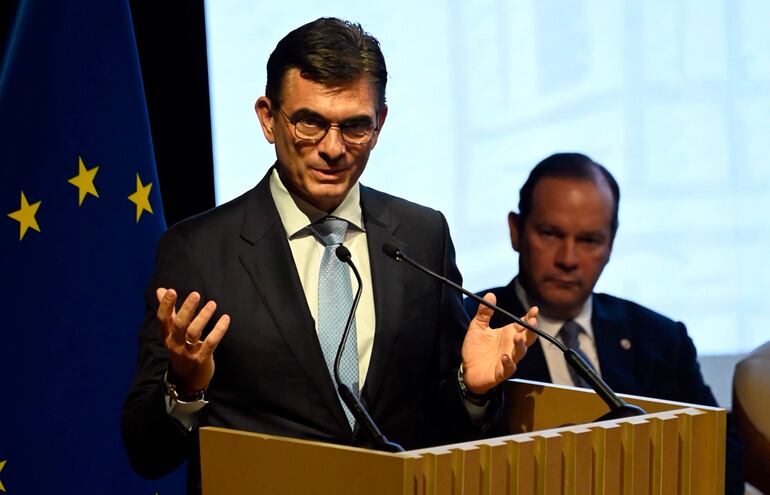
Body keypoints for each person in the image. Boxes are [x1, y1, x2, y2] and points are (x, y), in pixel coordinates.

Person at [121, 17, 536, 493]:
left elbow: (437, 423)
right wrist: (187, 386)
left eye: (355, 126)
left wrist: (472, 388)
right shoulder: (198, 251)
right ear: (268, 118)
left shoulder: (422, 236)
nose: (333, 149)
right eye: (310, 122)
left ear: (379, 124)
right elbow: (145, 450)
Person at [464, 152, 744, 494]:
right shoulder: (468, 326)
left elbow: (721, 452)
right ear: (516, 232)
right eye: (550, 234)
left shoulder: (661, 339)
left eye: (588, 241)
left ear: (611, 243)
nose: (568, 259)